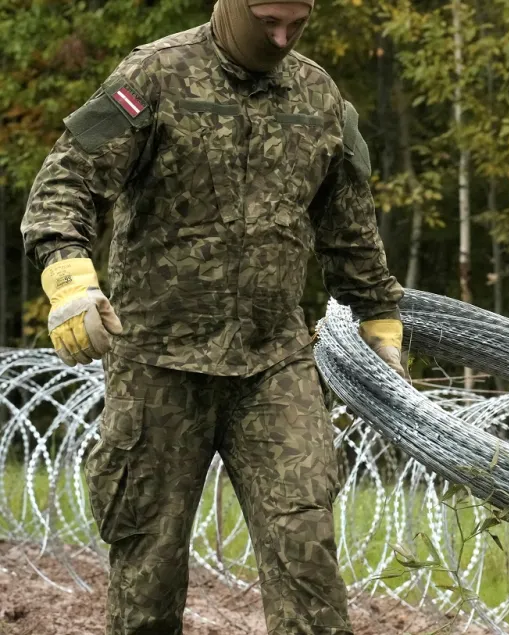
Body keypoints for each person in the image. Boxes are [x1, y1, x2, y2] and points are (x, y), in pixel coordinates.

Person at [20, 1, 407, 632]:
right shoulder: (154, 75)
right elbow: (66, 179)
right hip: (158, 365)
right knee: (148, 566)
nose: (281, 38)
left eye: (296, 24)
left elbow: (351, 229)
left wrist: (378, 316)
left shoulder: (320, 97)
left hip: (271, 363)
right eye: (267, 22)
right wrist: (67, 276)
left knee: (305, 545)